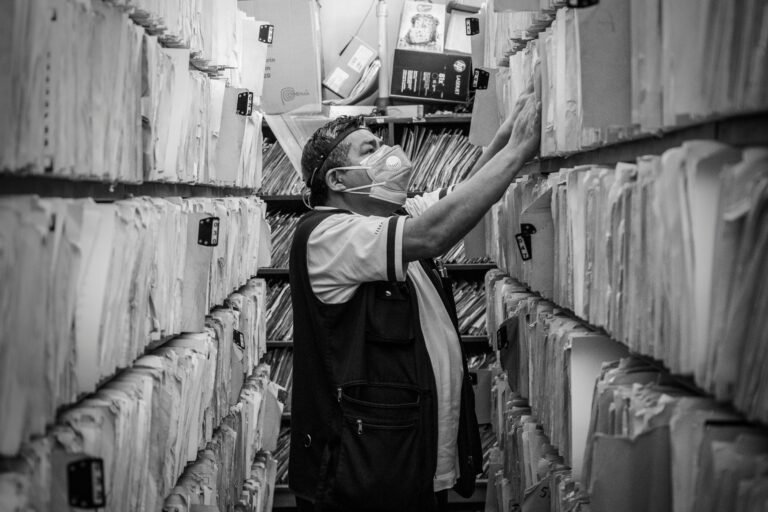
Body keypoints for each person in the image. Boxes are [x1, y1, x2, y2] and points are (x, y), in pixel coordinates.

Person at [287, 88, 541, 512]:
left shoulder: (391, 216)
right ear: (336, 180)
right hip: (363, 473)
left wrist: (510, 130)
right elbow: (432, 235)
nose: (389, 152)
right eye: (370, 148)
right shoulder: (326, 234)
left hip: (408, 459)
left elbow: (466, 194)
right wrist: (518, 151)